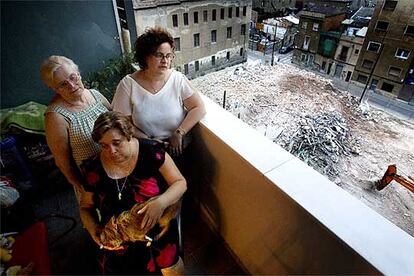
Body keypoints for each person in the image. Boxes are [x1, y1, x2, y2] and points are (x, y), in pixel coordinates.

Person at [79, 111, 186, 275]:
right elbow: (85, 207)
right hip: (117, 236)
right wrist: (94, 231)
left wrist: (160, 202)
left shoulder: (151, 152)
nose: (112, 151)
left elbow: (180, 183)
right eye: (104, 145)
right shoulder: (93, 168)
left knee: (170, 267)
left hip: (157, 227)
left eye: (117, 142)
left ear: (128, 135)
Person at [112, 26, 206, 157]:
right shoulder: (128, 85)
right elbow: (122, 122)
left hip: (178, 147)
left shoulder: (177, 79)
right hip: (147, 150)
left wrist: (179, 133)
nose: (165, 61)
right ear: (145, 57)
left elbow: (198, 107)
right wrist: (149, 141)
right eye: (159, 55)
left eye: (168, 56)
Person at [41, 55, 111, 193]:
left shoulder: (95, 94)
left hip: (117, 163)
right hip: (94, 179)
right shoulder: (56, 117)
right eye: (62, 84)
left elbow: (116, 121)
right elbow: (63, 164)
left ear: (78, 73)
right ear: (55, 88)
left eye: (73, 77)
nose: (71, 86)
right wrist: (82, 189)